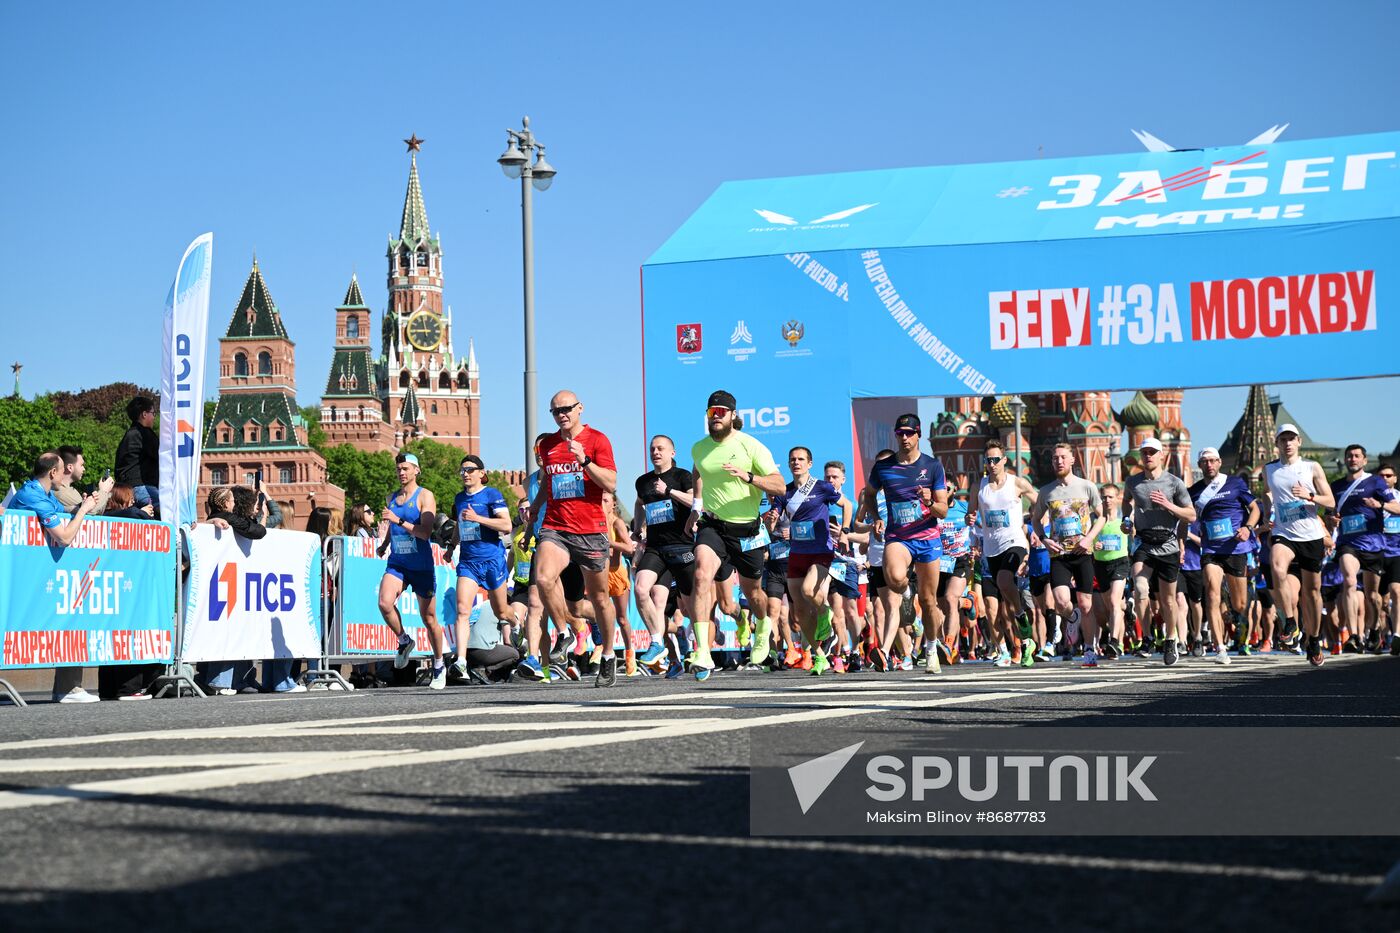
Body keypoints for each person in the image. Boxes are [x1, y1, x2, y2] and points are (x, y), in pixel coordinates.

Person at [519, 390, 621, 687]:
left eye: (566, 409)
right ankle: (563, 634)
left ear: (579, 409)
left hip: (589, 530)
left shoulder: (597, 440)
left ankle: (610, 654)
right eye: (555, 411)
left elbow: (611, 483)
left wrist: (585, 460)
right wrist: (535, 507)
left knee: (599, 599)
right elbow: (549, 482)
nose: (561, 414)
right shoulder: (549, 444)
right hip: (556, 526)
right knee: (543, 578)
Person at [684, 390, 785, 681]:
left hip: (747, 530)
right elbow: (699, 471)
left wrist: (749, 477)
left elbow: (779, 486)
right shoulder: (699, 448)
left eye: (721, 413)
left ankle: (763, 624)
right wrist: (696, 506)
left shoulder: (751, 446)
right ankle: (702, 650)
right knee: (702, 574)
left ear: (732, 416)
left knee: (753, 593)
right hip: (713, 526)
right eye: (711, 412)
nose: (715, 418)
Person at [10, 451, 114, 704]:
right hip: (20, 575)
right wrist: (85, 510)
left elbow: (65, 512)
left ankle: (67, 689)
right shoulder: (34, 495)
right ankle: (66, 690)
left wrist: (82, 506)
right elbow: (64, 536)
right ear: (53, 472)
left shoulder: (43, 494)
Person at [861, 413, 950, 674]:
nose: (905, 437)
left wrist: (930, 501)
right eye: (900, 433)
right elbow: (869, 494)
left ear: (918, 434)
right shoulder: (883, 467)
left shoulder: (932, 466)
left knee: (930, 601)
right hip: (898, 536)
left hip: (927, 538)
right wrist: (876, 517)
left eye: (909, 433)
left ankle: (931, 648)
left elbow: (943, 511)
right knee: (895, 578)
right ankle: (906, 593)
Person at [1261, 424, 1335, 666]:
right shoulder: (1270, 469)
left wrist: (1309, 496)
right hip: (1284, 533)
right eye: (1283, 440)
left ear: (1299, 442)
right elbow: (1266, 492)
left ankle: (1313, 639)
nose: (1288, 443)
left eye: (1291, 439)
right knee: (1277, 567)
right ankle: (1291, 621)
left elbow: (1331, 501)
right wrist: (1268, 513)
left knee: (1312, 593)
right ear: (1277, 443)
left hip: (1310, 535)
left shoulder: (1311, 468)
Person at [767, 447, 843, 675]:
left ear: (809, 464)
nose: (796, 463)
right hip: (797, 553)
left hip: (820, 551)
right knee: (799, 613)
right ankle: (820, 657)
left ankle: (824, 613)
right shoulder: (784, 491)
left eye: (801, 459)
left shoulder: (822, 487)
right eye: (792, 460)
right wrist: (771, 521)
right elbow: (773, 523)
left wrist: (845, 529)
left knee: (810, 590)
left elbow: (846, 505)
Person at [1123, 437, 1196, 667]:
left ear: (1161, 455)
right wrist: (1127, 520)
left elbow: (1191, 515)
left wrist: (1168, 505)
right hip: (1144, 542)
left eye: (1152, 452)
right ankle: (1146, 638)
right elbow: (1126, 502)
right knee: (1140, 588)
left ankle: (1171, 639)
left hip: (1168, 544)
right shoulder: (1133, 482)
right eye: (1144, 452)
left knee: (1168, 601)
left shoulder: (1174, 483)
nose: (1148, 456)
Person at [1031, 443, 1105, 667]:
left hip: (1082, 551)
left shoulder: (1086, 486)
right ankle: (1071, 619)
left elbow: (1101, 516)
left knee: (1086, 604)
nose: (1059, 461)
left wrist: (1089, 538)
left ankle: (1090, 650)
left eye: (1063, 457)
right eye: (1055, 458)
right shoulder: (1046, 491)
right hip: (1059, 554)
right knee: (1063, 602)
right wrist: (1045, 540)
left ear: (1073, 460)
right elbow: (1035, 520)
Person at [378, 452, 447, 689]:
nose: (401, 473)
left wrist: (397, 521)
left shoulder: (425, 496)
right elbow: (391, 527)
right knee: (385, 603)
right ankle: (404, 640)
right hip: (398, 562)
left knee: (429, 619)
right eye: (398, 469)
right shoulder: (392, 497)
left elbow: (425, 533)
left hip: (421, 565)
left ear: (416, 470)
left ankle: (439, 664)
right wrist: (385, 544)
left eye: (406, 468)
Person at [967, 438, 1038, 668]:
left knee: (1004, 580)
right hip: (991, 548)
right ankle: (1026, 641)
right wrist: (970, 519)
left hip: (1015, 541)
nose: (992, 463)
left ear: (1004, 460)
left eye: (996, 459)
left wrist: (1036, 527)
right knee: (1002, 602)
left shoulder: (1016, 483)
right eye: (989, 460)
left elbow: (1039, 502)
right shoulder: (979, 487)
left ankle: (1020, 615)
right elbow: (971, 512)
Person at [1188, 447, 1261, 663]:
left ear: (1219, 462)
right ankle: (1220, 648)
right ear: (1200, 465)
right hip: (1211, 549)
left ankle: (1231, 607)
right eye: (1204, 462)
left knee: (1240, 605)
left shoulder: (1235, 483)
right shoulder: (1194, 491)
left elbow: (1255, 509)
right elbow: (1185, 515)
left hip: (1236, 549)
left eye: (1212, 461)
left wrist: (1248, 527)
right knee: (1211, 592)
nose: (1209, 465)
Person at [1325, 444, 1398, 653]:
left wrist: (1380, 506)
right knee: (1348, 580)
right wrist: (1331, 520)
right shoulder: (1336, 486)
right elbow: (1328, 515)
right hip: (1348, 543)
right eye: (1349, 456)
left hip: (1373, 544)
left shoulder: (1375, 482)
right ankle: (1354, 635)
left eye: (1357, 456)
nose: (1352, 459)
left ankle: (1374, 628)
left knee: (1372, 596)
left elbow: (1397, 507)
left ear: (1364, 460)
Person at [448, 455, 515, 682]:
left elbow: (506, 525)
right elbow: (460, 523)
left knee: (502, 612)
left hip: (492, 560)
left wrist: (478, 518)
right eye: (462, 471)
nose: (465, 474)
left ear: (481, 473)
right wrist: (451, 546)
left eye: (470, 470)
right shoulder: (458, 498)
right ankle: (461, 661)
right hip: (468, 562)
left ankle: (518, 628)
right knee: (462, 610)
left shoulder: (491, 494)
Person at [631, 435, 696, 669]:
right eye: (652, 449)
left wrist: (669, 491)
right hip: (656, 548)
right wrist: (638, 527)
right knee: (642, 590)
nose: (656, 452)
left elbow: (696, 502)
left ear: (672, 453)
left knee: (689, 606)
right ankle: (657, 643)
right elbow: (639, 503)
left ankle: (699, 652)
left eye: (661, 448)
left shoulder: (682, 476)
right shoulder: (643, 481)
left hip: (682, 547)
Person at [1091, 483, 1130, 659]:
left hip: (1120, 563)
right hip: (1100, 565)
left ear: (1118, 498)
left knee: (1114, 602)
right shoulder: (1095, 520)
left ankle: (1114, 642)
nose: (1107, 500)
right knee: (1112, 608)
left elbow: (1133, 531)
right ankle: (1127, 608)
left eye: (1110, 497)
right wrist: (1094, 545)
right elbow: (1086, 541)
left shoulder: (1124, 519)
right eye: (1104, 497)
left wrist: (1131, 528)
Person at [602, 491, 638, 674]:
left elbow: (629, 548)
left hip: (616, 573)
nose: (601, 502)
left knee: (622, 618)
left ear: (613, 504)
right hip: (599, 573)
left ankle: (629, 652)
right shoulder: (595, 521)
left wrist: (610, 544)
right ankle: (601, 651)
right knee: (596, 613)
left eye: (605, 500)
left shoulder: (617, 523)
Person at [115, 395, 160, 515]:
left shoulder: (129, 434)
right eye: (153, 413)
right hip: (143, 487)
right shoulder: (144, 433)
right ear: (144, 414)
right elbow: (163, 457)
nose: (154, 417)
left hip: (127, 489)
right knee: (168, 513)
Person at [1376, 463, 1400, 655]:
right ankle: (1382, 635)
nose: (1385, 478)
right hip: (1376, 552)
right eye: (1381, 475)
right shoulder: (1370, 499)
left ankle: (1397, 635)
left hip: (1397, 552)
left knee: (1396, 592)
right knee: (1380, 601)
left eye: (1389, 475)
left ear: (1395, 479)